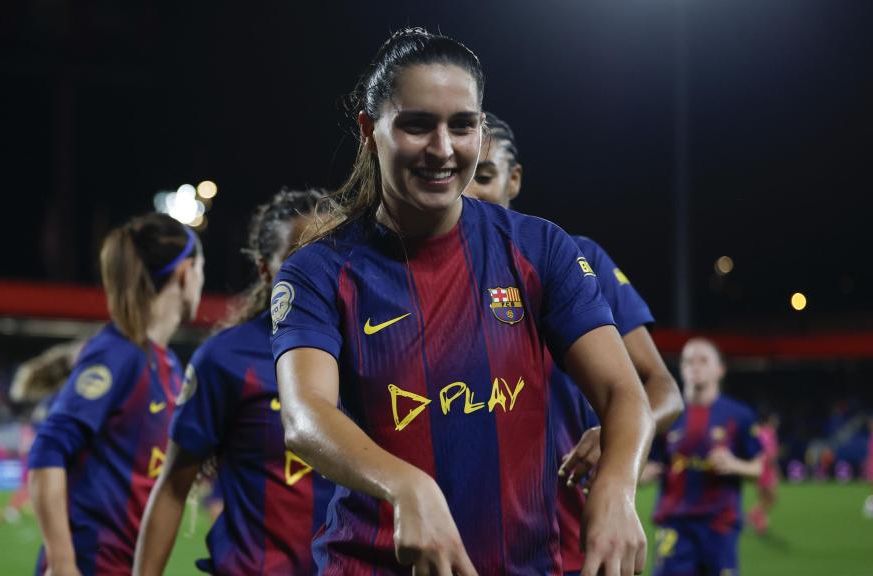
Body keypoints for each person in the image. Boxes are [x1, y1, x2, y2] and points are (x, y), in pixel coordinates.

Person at [272, 27, 654, 576]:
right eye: (417, 124)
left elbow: (625, 393)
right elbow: (306, 417)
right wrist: (407, 487)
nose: (443, 149)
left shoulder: (538, 248)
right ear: (369, 131)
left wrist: (617, 490)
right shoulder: (318, 271)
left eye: (462, 125)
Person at [464, 111, 683, 576]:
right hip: (454, 541)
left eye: (484, 176)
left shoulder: (573, 259)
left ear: (514, 179)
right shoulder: (414, 276)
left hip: (562, 540)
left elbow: (661, 387)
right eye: (459, 176)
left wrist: (615, 435)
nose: (470, 192)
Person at [135, 189, 334, 576]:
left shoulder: (370, 350)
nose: (317, 273)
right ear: (264, 269)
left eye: (328, 254)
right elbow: (174, 489)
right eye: (297, 261)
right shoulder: (227, 360)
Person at [28, 213, 204, 576]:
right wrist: (62, 564)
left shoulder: (167, 365)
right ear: (186, 272)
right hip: (91, 564)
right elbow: (48, 449)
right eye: (202, 268)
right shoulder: (120, 352)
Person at [643, 338, 763, 576]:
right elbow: (650, 465)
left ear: (720, 369)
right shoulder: (664, 415)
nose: (695, 366)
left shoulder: (739, 415)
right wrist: (640, 474)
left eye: (703, 360)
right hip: (675, 524)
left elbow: (758, 468)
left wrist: (734, 464)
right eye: (688, 361)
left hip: (720, 524)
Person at [748, 413, 780, 533]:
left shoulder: (758, 432)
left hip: (757, 467)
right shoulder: (770, 433)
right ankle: (753, 515)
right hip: (766, 469)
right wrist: (775, 469)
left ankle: (761, 524)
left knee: (763, 498)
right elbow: (771, 454)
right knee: (772, 498)